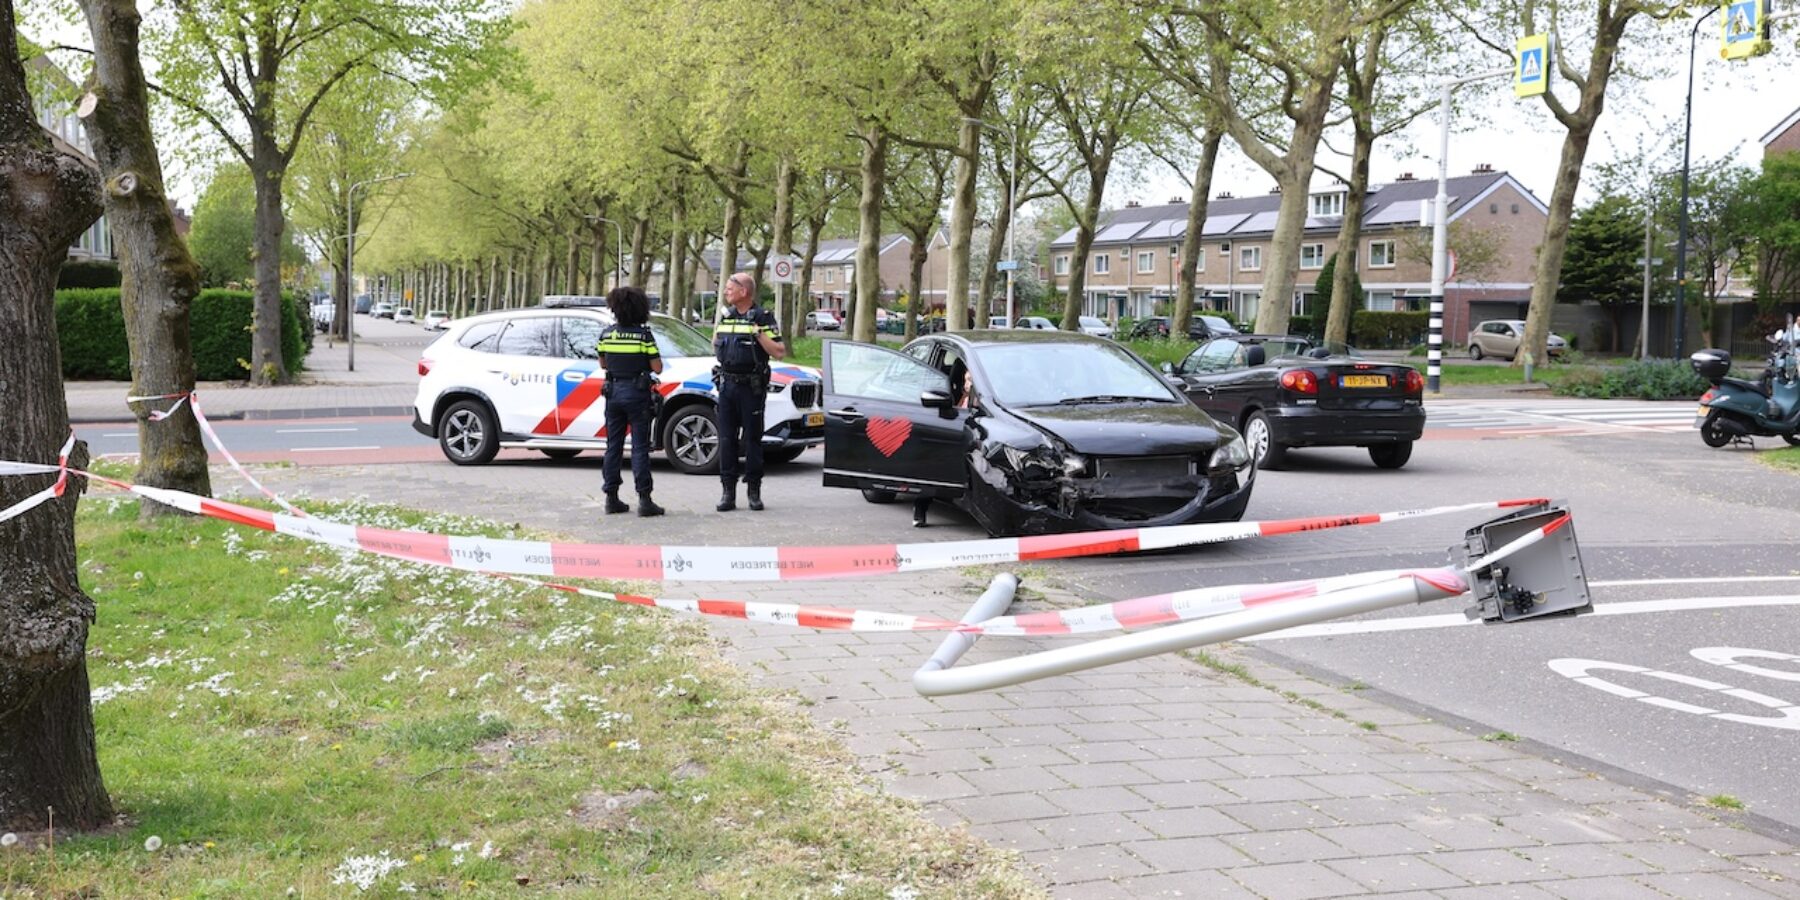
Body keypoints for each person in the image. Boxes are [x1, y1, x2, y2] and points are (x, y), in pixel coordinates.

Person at [713, 272, 786, 512]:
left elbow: (779, 351)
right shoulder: (726, 317)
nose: (725, 292)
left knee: (753, 440)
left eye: (729, 288)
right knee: (726, 440)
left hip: (751, 388)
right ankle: (728, 493)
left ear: (743, 291)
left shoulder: (763, 317)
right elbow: (716, 343)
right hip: (727, 386)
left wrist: (758, 333)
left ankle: (754, 491)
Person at [597, 286, 664, 517]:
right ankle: (644, 499)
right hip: (637, 394)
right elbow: (657, 367)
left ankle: (611, 497)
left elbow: (603, 363)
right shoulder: (643, 336)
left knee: (613, 447)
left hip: (613, 393)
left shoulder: (607, 334)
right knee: (639, 448)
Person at [912, 366, 974, 528]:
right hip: (953, 442)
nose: (968, 385)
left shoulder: (981, 400)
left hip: (969, 446)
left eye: (971, 381)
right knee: (931, 470)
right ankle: (920, 511)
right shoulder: (959, 397)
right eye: (967, 380)